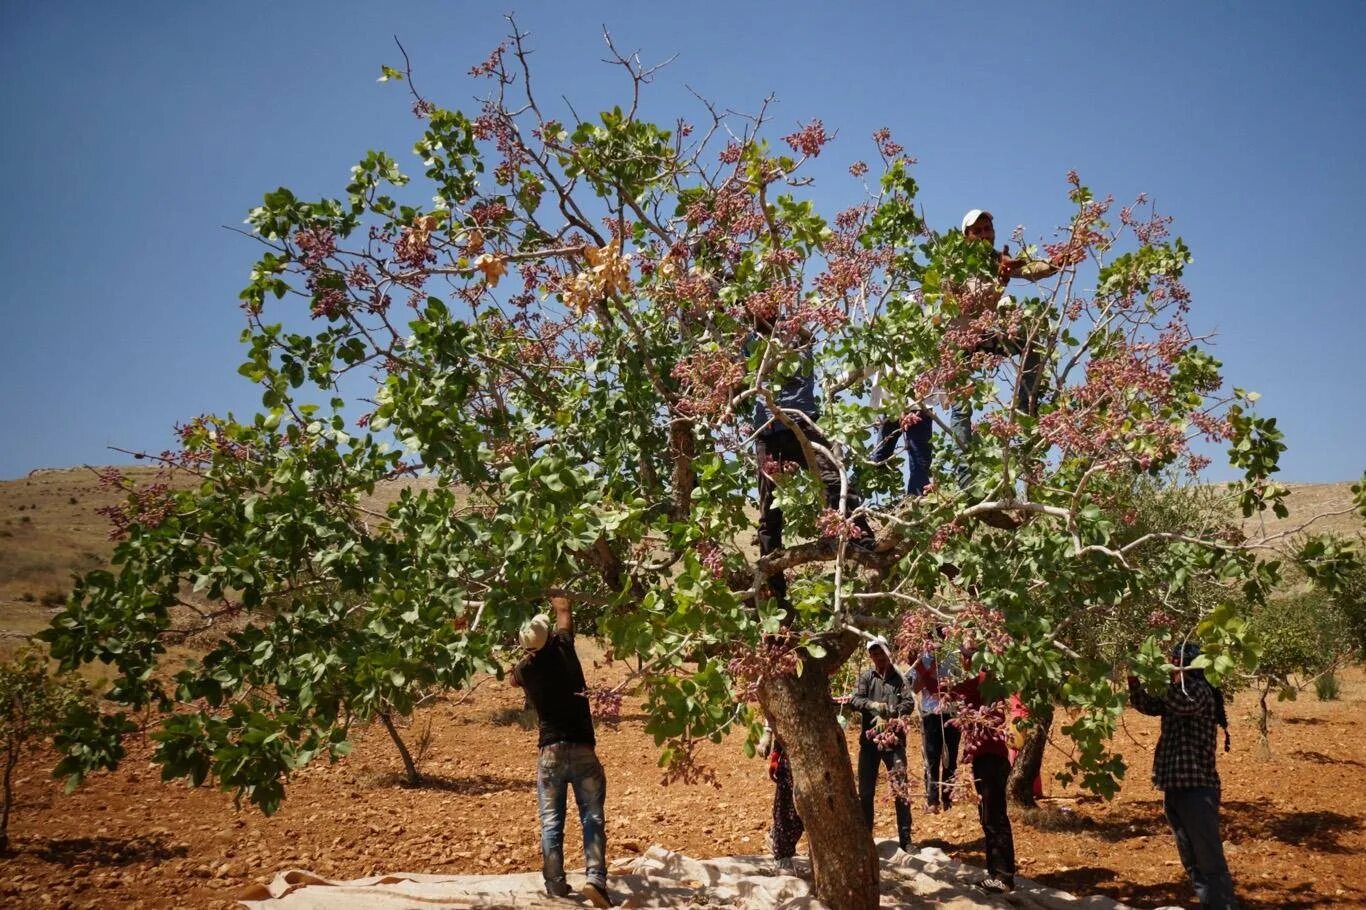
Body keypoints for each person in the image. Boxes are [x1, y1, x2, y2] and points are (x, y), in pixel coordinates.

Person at [751, 324, 874, 610]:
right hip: (767, 430)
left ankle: (861, 535)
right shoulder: (754, 344)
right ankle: (775, 587)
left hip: (803, 422)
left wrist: (785, 329)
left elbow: (808, 335)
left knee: (833, 478)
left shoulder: (800, 339)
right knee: (769, 509)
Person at [949, 209, 1060, 506]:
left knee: (1031, 339)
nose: (986, 234)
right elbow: (969, 305)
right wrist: (1000, 282)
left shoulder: (1000, 260)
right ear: (966, 236)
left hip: (985, 336)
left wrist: (1054, 264)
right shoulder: (955, 263)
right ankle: (966, 485)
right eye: (979, 230)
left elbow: (1027, 268)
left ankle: (1026, 406)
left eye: (988, 229)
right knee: (961, 409)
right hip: (960, 341)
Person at [510, 592, 612, 908]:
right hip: (582, 748)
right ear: (551, 635)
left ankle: (556, 885)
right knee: (592, 816)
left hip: (550, 753)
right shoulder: (565, 648)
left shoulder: (526, 670)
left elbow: (512, 678)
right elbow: (565, 611)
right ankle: (595, 878)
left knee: (551, 822)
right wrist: (556, 594)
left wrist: (526, 652)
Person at [1127, 643, 1238, 910]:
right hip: (1176, 789)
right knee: (1192, 860)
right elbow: (1147, 703)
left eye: (1174, 663)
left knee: (1209, 861)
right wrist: (1133, 677)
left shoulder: (1196, 691)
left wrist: (1156, 671)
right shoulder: (1178, 693)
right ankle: (1209, 903)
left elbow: (1174, 700)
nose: (1171, 668)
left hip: (1197, 791)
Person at [949, 642, 1016, 894]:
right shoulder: (984, 679)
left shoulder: (984, 680)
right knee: (988, 816)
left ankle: (1003, 876)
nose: (963, 662)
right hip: (987, 758)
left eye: (965, 657)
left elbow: (947, 692)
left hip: (990, 758)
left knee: (994, 817)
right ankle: (995, 874)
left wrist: (926, 669)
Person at [848, 637, 914, 850]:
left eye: (880, 652)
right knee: (866, 791)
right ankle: (866, 838)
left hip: (894, 742)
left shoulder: (899, 677)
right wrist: (873, 705)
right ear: (871, 656)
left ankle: (906, 840)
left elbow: (909, 703)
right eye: (874, 653)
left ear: (887, 652)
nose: (878, 657)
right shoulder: (867, 676)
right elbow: (855, 700)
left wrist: (893, 711)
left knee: (900, 789)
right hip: (869, 743)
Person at [911, 628, 960, 813]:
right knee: (931, 757)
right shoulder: (921, 660)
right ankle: (932, 799)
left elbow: (959, 684)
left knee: (950, 756)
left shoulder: (952, 658)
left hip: (951, 712)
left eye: (940, 636)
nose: (936, 641)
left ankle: (948, 797)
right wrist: (928, 671)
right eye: (932, 637)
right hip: (931, 714)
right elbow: (915, 688)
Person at [757, 720, 803, 872]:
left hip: (816, 750)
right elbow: (775, 703)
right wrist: (767, 734)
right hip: (790, 751)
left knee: (808, 810)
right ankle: (782, 856)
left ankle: (776, 837)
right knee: (787, 806)